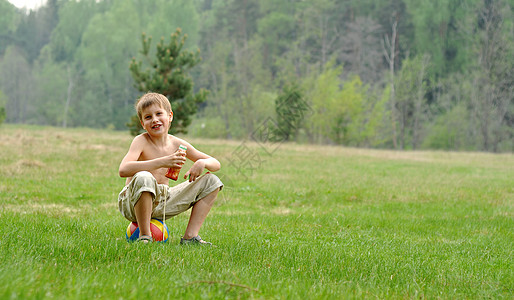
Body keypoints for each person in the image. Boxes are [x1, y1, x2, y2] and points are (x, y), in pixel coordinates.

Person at [118, 92, 223, 244]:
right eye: (148, 117)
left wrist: (203, 163)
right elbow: (123, 170)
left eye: (159, 114)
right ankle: (145, 236)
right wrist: (163, 161)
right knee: (144, 177)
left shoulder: (177, 144)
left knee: (212, 181)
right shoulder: (140, 141)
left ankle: (190, 238)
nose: (154, 120)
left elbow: (216, 164)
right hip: (133, 202)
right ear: (142, 123)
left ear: (170, 116)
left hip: (162, 201)